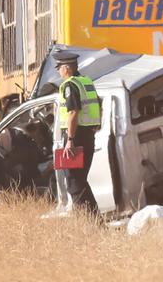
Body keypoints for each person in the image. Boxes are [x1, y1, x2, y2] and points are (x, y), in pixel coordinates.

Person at [54, 51, 101, 216]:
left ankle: (89, 221)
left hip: (76, 137)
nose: (58, 71)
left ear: (66, 69)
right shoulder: (86, 82)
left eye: (59, 68)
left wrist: (70, 140)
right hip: (88, 136)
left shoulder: (69, 85)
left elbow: (73, 112)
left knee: (73, 182)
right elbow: (97, 105)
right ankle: (95, 219)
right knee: (80, 181)